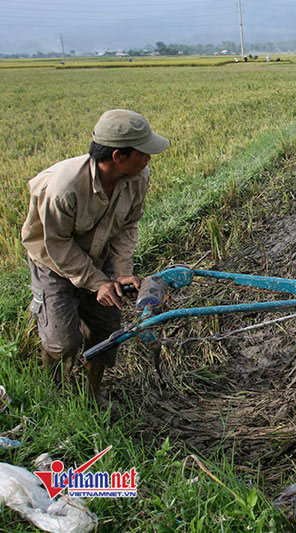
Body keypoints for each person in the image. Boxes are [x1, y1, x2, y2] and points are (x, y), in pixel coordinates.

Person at [21, 109, 169, 405]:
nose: (149, 158)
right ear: (118, 156)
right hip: (55, 264)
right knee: (62, 342)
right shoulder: (64, 189)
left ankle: (92, 394)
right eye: (143, 153)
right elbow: (57, 245)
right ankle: (54, 396)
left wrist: (122, 271)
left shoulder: (138, 177)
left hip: (101, 257)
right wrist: (97, 282)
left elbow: (128, 225)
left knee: (105, 332)